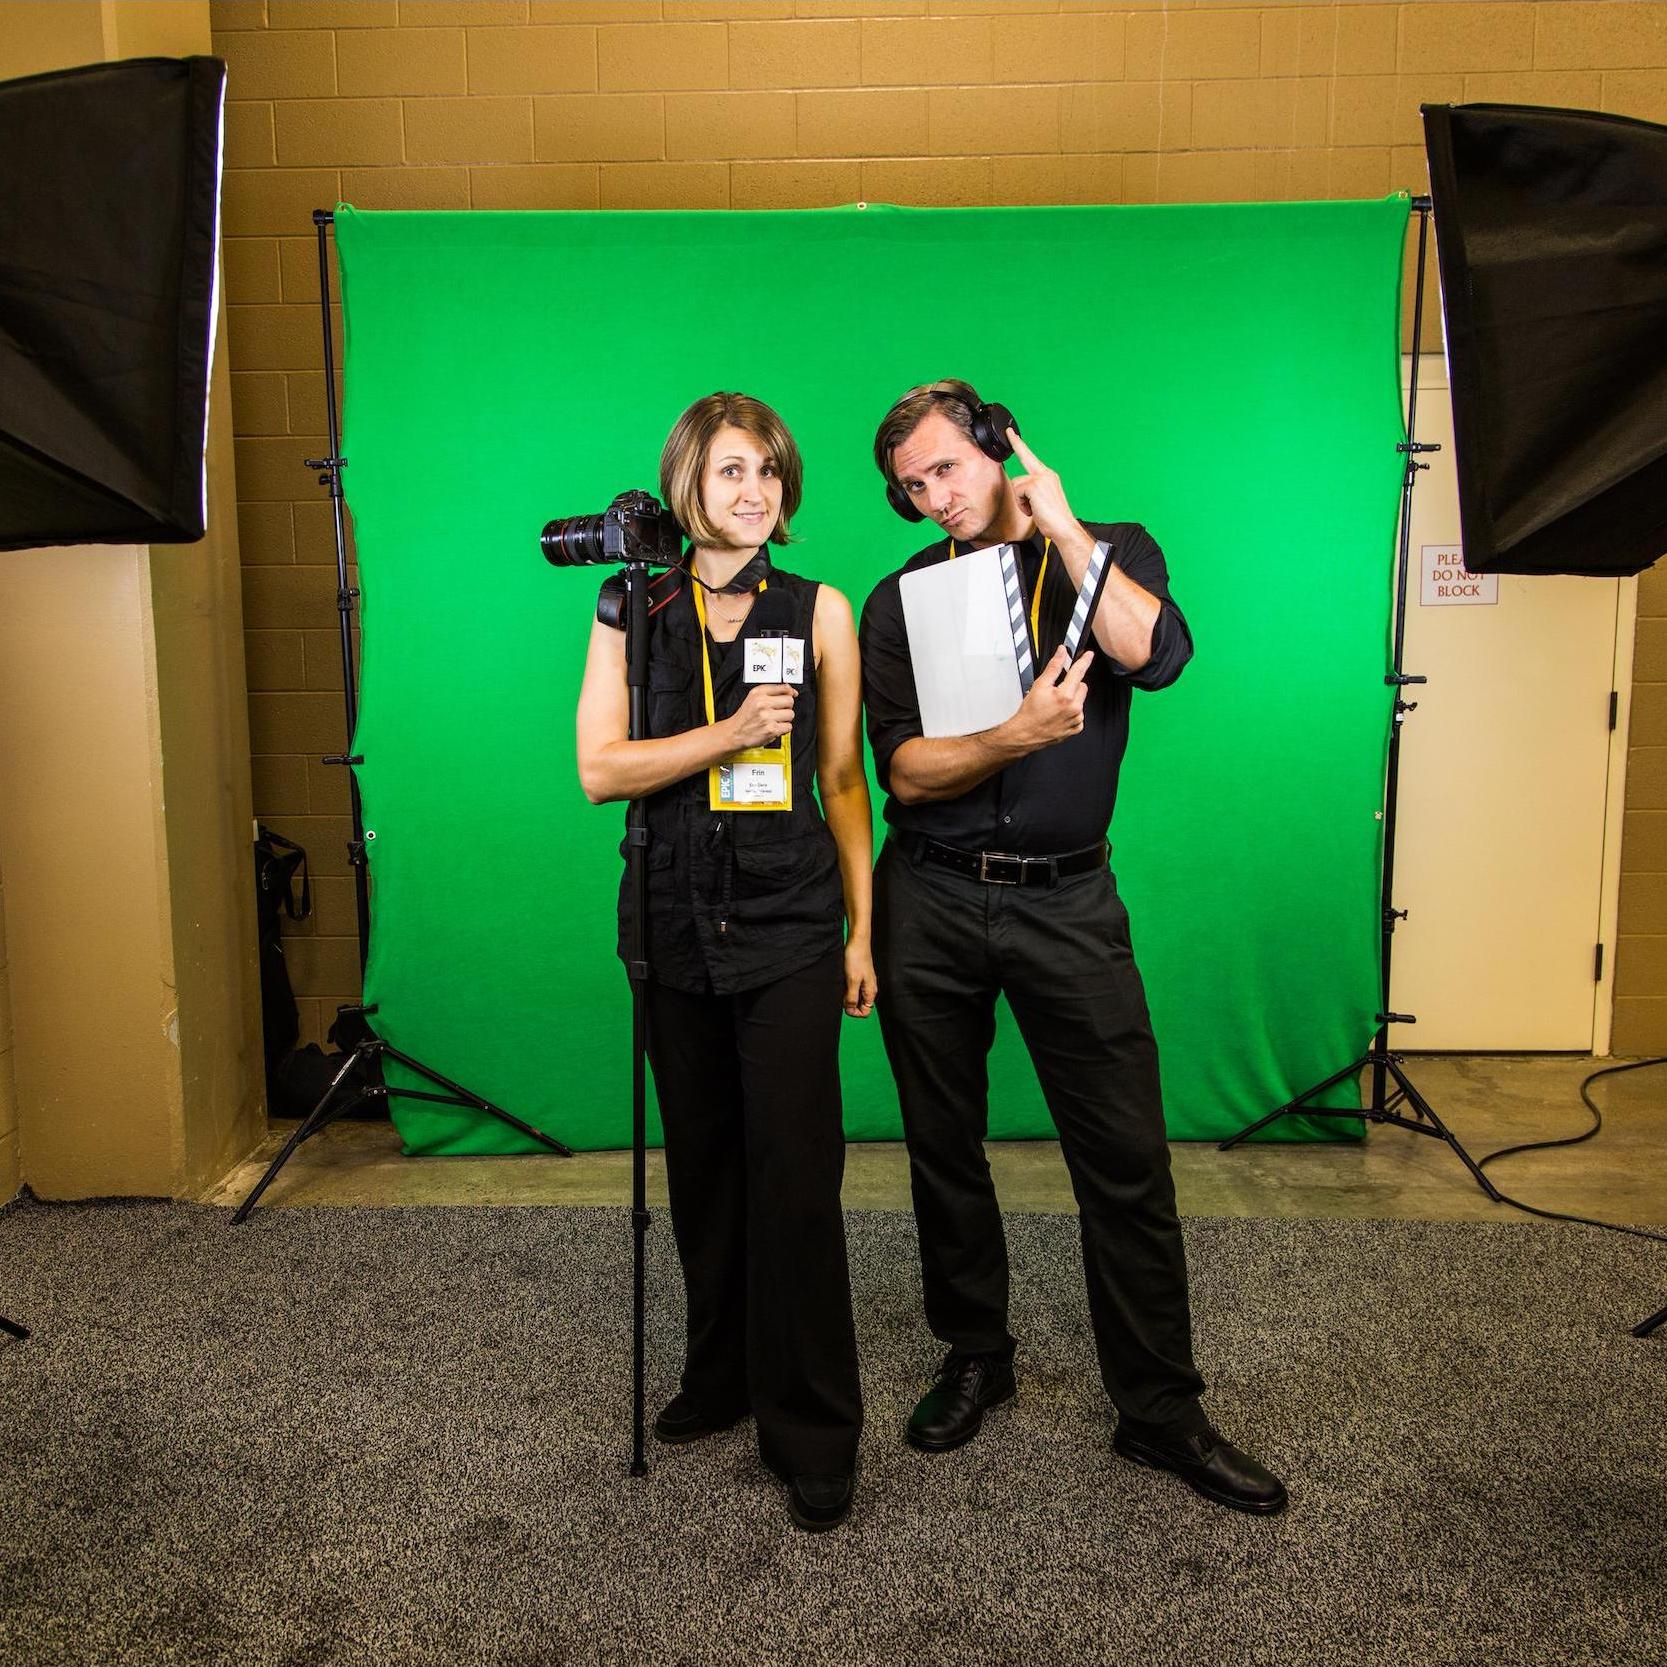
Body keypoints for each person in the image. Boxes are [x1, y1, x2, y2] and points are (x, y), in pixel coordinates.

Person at [858, 380, 1287, 1516]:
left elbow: (1158, 655)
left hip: (1068, 901)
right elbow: (901, 768)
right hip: (929, 897)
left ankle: (1158, 1408)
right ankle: (975, 1353)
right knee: (942, 1143)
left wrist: (1058, 521)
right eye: (912, 485)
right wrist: (1013, 734)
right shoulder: (898, 599)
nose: (932, 497)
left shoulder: (1108, 550)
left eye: (947, 468)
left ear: (999, 449)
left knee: (1124, 1158)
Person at [575, 392, 872, 1534]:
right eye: (731, 469)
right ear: (686, 482)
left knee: (793, 1179)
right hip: (667, 924)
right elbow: (600, 769)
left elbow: (839, 779)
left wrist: (860, 930)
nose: (754, 490)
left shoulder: (820, 607)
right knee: (702, 1171)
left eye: (769, 471)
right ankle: (721, 1373)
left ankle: (812, 1427)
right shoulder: (628, 604)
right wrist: (729, 733)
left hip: (790, 924)